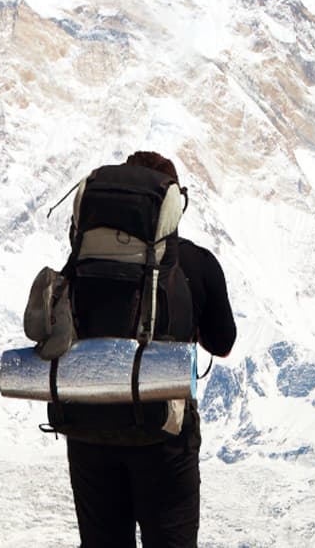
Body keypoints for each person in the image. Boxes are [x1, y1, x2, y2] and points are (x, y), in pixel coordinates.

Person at [64, 151, 236, 548]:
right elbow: (222, 343)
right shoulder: (196, 263)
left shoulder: (82, 260)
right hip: (164, 436)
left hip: (89, 428)